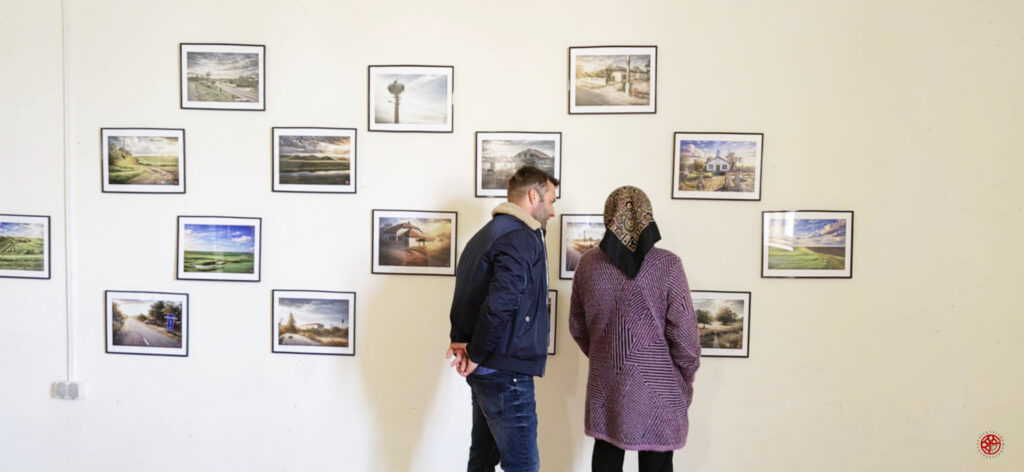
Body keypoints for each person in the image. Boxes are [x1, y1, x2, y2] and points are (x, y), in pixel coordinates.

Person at [568, 186, 700, 472]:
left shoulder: (588, 264)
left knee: (605, 461)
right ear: (647, 217)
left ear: (609, 217)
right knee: (657, 463)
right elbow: (686, 338)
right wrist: (685, 376)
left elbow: (577, 326)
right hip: (660, 389)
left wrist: (610, 357)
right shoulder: (668, 264)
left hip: (606, 384)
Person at [446, 166, 559, 472]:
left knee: (482, 459)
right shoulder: (519, 236)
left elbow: (468, 295)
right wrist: (477, 352)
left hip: (489, 367)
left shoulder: (486, 234)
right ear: (533, 196)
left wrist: (464, 342)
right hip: (505, 371)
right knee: (522, 465)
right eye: (550, 200)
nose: (552, 210)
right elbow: (502, 302)